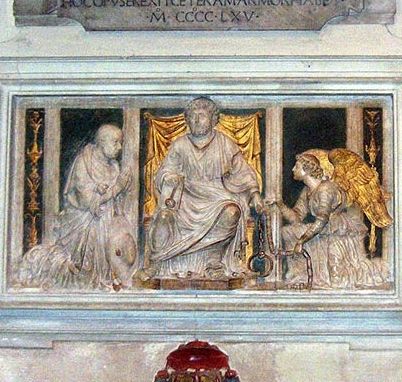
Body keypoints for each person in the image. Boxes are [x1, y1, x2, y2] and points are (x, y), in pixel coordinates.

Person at [143, 97, 264, 280]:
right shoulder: (180, 145)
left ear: (214, 119)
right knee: (163, 216)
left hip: (217, 196)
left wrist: (254, 194)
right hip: (185, 196)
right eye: (192, 116)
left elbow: (243, 171)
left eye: (202, 115)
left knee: (231, 213)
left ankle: (213, 260)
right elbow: (164, 172)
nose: (197, 120)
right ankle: (157, 261)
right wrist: (170, 177)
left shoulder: (224, 143)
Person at [16, 124, 135, 290]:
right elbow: (88, 201)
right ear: (102, 142)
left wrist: (122, 189)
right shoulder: (83, 163)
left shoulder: (114, 165)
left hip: (104, 221)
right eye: (115, 142)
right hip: (82, 221)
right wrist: (117, 188)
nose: (119, 147)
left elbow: (115, 200)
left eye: (120, 143)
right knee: (83, 264)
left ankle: (105, 278)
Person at [273, 153, 388, 289]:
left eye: (296, 166)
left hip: (337, 232)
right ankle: (299, 273)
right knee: (287, 232)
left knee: (337, 279)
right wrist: (280, 205)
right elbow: (296, 217)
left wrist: (301, 241)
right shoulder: (307, 191)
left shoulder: (326, 189)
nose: (293, 169)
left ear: (307, 169)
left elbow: (322, 220)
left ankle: (373, 270)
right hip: (321, 230)